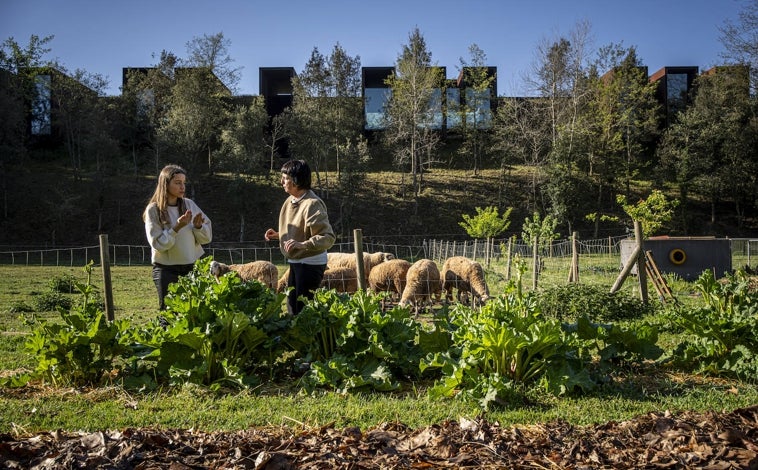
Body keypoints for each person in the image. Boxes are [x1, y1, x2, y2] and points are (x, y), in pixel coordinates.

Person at [265, 159, 335, 315]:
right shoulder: (290, 201)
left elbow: (328, 237)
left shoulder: (312, 204)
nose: (281, 181)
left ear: (296, 180)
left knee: (303, 310)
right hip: (296, 261)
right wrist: (279, 235)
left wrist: (303, 244)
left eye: (286, 178)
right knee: (291, 306)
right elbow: (300, 231)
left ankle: (309, 339)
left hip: (310, 263)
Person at [143, 164, 212, 310]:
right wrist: (176, 228)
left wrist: (199, 227)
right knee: (168, 315)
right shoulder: (153, 210)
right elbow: (158, 244)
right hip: (166, 271)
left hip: (192, 268)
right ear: (165, 184)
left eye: (184, 183)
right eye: (177, 183)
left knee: (195, 313)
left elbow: (206, 238)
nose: (182, 187)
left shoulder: (189, 205)